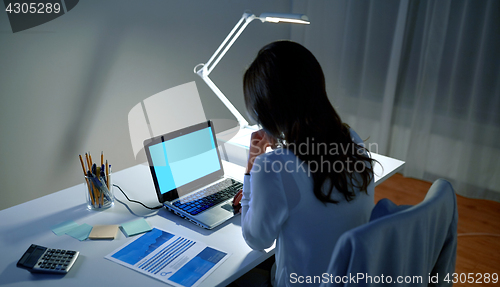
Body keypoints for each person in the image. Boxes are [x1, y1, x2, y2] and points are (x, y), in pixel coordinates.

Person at [232, 41, 376, 286]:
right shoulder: (352, 139)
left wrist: (252, 168)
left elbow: (257, 241)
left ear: (266, 114)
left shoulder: (271, 166)